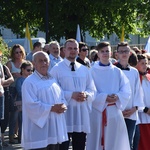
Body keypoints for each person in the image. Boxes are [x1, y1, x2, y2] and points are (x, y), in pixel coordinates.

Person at [50, 39, 96, 150]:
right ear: (64, 50)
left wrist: (86, 95)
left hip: (80, 115)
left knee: (80, 146)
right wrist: (71, 94)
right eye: (70, 48)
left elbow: (92, 89)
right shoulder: (56, 69)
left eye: (75, 48)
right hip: (64, 114)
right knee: (63, 146)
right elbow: (52, 91)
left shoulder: (84, 70)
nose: (73, 51)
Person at [86, 41, 131, 150]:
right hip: (98, 113)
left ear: (111, 53)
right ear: (98, 53)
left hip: (114, 112)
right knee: (98, 141)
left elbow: (126, 89)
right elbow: (89, 91)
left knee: (115, 142)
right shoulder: (91, 71)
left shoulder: (117, 71)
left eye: (107, 51)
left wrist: (118, 97)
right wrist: (104, 97)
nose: (105, 53)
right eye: (102, 51)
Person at [21, 51, 68, 150]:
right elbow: (31, 105)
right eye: (40, 61)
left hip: (54, 130)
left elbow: (61, 96)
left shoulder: (52, 80)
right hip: (39, 132)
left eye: (46, 60)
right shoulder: (29, 82)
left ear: (49, 62)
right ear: (34, 63)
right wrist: (51, 108)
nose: (44, 63)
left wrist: (63, 105)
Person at [115, 42, 144, 149]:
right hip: (115, 113)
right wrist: (117, 110)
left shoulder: (134, 72)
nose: (124, 53)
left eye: (126, 51)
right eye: (121, 51)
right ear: (117, 54)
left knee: (129, 143)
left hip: (131, 113)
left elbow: (138, 92)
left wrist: (135, 108)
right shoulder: (113, 70)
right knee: (116, 143)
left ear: (130, 53)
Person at [6, 44, 26, 144]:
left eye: (20, 52)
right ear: (13, 53)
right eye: (16, 52)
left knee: (22, 115)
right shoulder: (10, 64)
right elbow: (6, 76)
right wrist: (13, 75)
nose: (18, 54)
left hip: (23, 90)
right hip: (13, 90)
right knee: (14, 114)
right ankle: (11, 136)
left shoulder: (25, 63)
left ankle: (20, 135)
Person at [15, 61, 33, 143]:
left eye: (31, 70)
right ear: (23, 70)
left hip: (31, 104)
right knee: (22, 121)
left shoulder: (32, 80)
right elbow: (19, 92)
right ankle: (21, 138)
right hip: (22, 104)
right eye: (28, 70)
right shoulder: (19, 80)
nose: (30, 72)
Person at [135, 54, 150, 150]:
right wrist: (145, 109)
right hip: (142, 116)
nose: (145, 65)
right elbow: (135, 97)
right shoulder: (135, 78)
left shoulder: (148, 77)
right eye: (142, 63)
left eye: (146, 63)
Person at [0, 51, 14, 147]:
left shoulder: (4, 67)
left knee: (4, 117)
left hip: (4, 94)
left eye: (1, 56)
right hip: (2, 93)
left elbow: (11, 79)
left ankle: (2, 139)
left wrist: (3, 82)